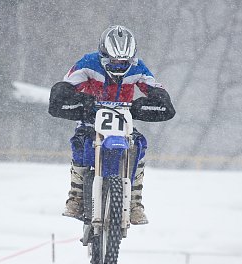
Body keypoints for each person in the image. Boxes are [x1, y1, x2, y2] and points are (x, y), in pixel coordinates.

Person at [48, 25, 175, 225]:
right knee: (81, 142)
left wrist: (153, 100)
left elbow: (155, 87)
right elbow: (67, 84)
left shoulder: (138, 68)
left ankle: (134, 201)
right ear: (103, 55)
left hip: (123, 119)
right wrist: (75, 97)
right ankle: (76, 196)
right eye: (114, 60)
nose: (119, 65)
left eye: (124, 61)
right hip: (91, 117)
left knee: (139, 144)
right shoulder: (88, 63)